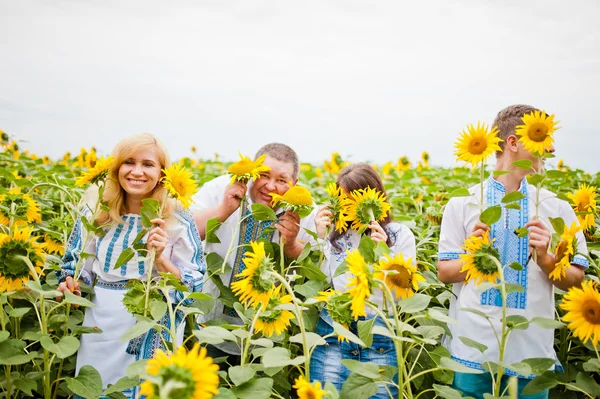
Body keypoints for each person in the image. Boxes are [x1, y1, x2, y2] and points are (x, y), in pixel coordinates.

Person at [437, 105, 589, 399]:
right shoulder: (465, 203)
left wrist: (546, 260)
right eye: (541, 138)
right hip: (474, 347)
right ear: (514, 142)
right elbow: (445, 273)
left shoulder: (557, 209)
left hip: (530, 350)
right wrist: (473, 254)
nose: (551, 148)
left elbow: (577, 278)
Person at [57, 133, 205, 399]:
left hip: (152, 325)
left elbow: (194, 282)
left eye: (148, 164)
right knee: (96, 389)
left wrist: (161, 259)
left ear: (162, 173)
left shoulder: (177, 219)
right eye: (129, 162)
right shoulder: (96, 211)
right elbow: (81, 267)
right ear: (117, 169)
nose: (137, 172)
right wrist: (73, 285)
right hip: (100, 326)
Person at [192, 143, 317, 363]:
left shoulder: (303, 210)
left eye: (281, 180)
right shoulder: (219, 189)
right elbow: (185, 235)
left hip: (269, 336)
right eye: (264, 175)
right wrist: (224, 210)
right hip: (210, 325)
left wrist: (291, 245)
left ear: (295, 183)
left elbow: (317, 270)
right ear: (252, 173)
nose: (271, 186)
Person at [310, 163, 417, 398]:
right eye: (343, 201)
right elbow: (320, 283)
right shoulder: (334, 235)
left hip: (378, 333)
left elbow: (403, 292)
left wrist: (383, 256)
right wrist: (319, 240)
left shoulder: (399, 235)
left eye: (354, 201)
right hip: (335, 330)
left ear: (373, 197)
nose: (348, 208)